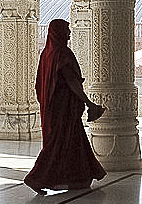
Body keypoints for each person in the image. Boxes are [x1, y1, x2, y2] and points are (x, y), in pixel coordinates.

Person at [24, 18, 107, 193]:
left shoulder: (46, 54)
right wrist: (89, 103)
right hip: (63, 108)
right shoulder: (63, 53)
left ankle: (77, 178)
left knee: (69, 142)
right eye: (67, 30)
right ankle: (35, 178)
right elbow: (71, 82)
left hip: (52, 108)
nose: (69, 33)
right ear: (59, 32)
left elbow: (40, 85)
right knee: (57, 144)